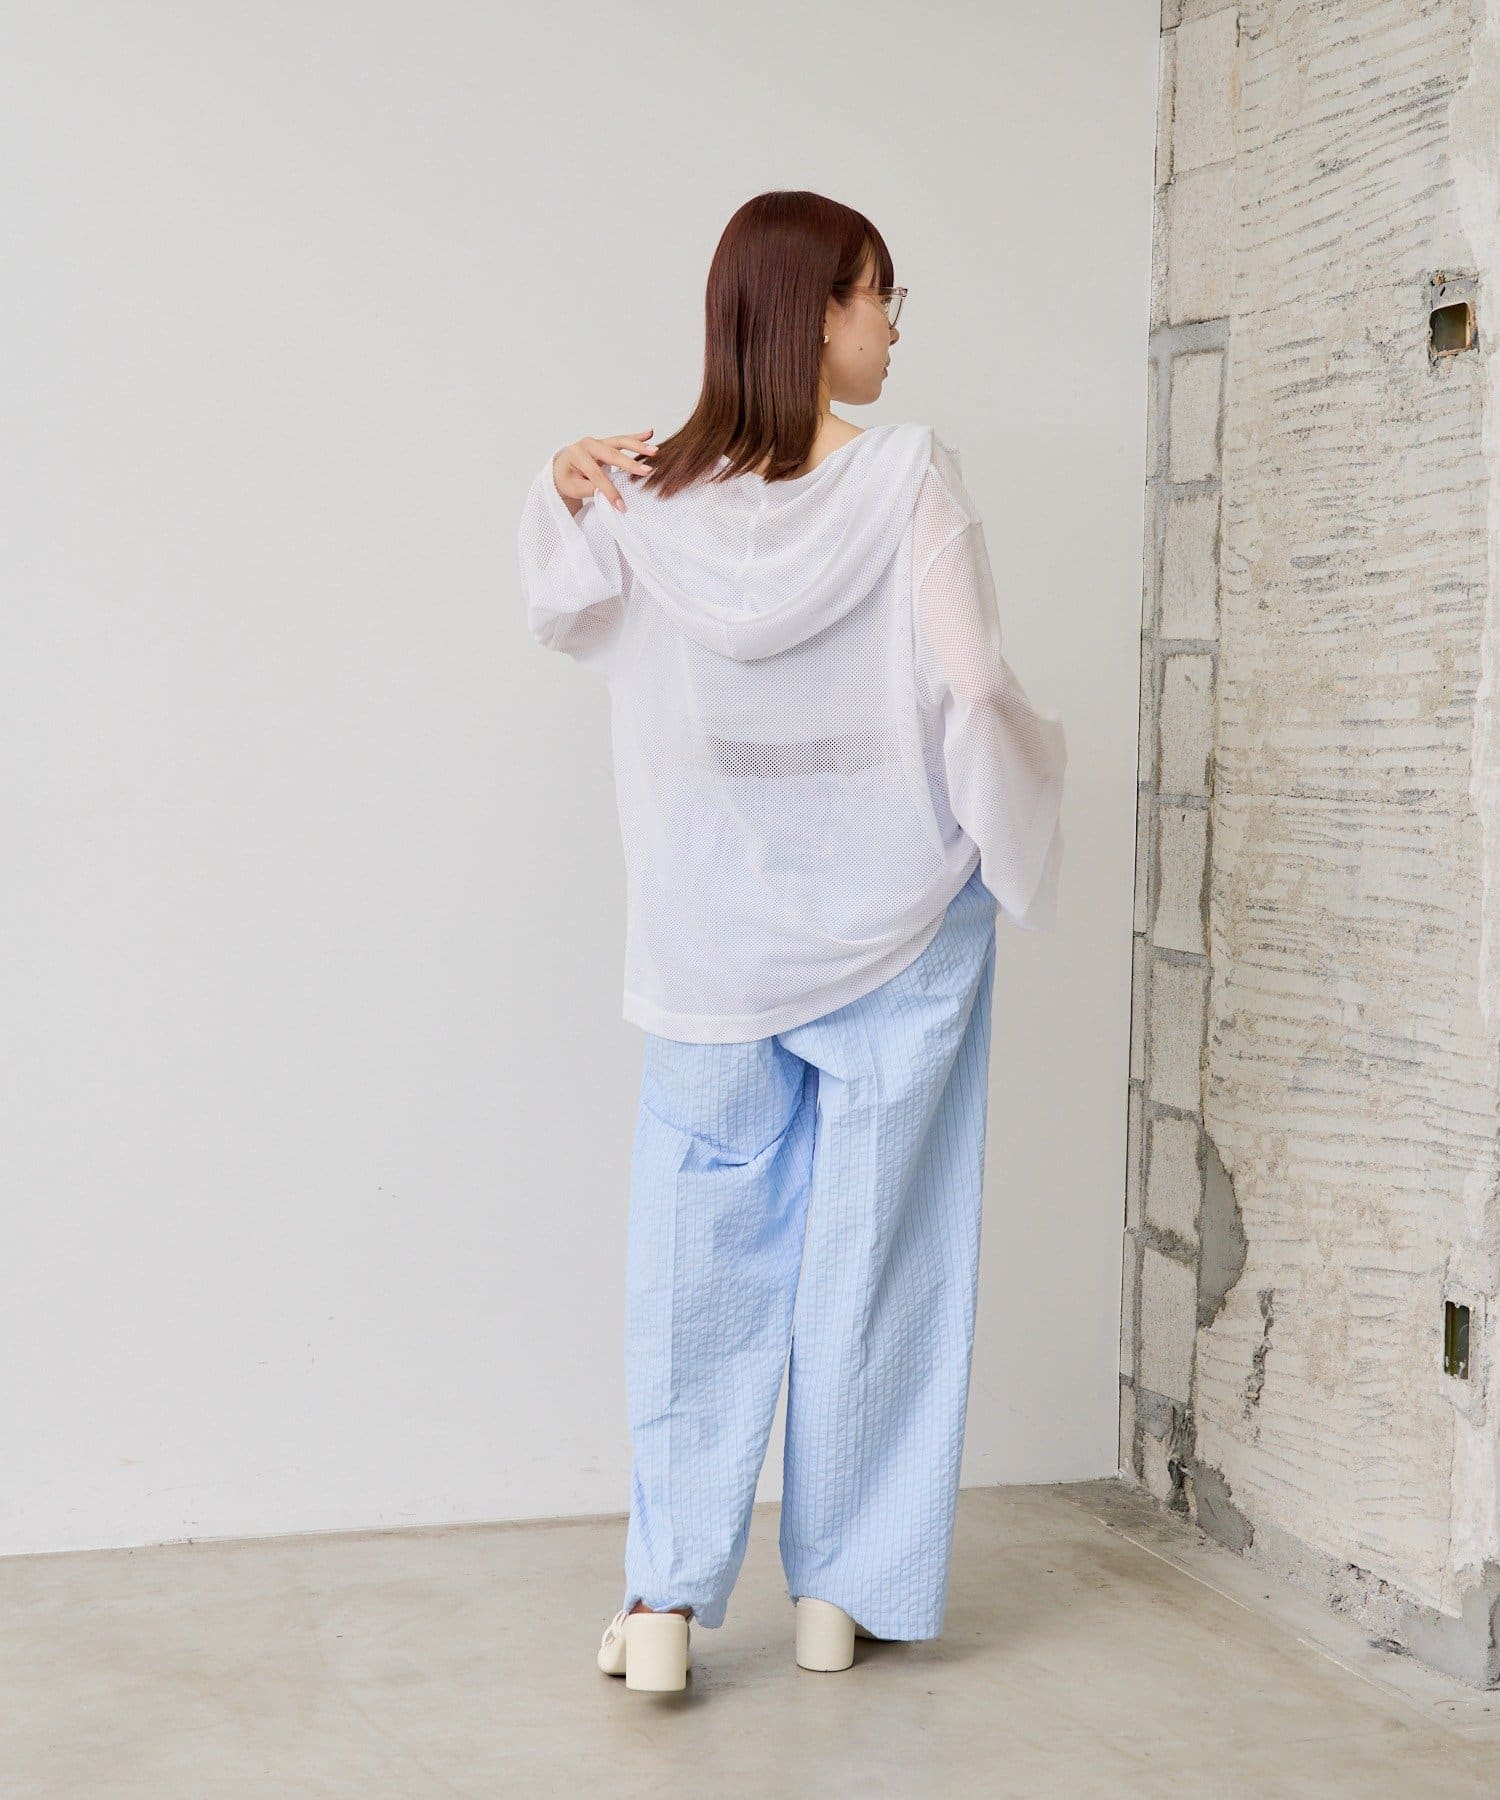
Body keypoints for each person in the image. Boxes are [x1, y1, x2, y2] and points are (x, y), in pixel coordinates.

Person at [515, 190, 1067, 1694]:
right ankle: (843, 1598)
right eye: (885, 297)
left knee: (696, 1260)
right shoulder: (907, 481)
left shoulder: (649, 495)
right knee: (883, 1255)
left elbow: (561, 606)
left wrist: (563, 481)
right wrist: (1019, 802)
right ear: (820, 313)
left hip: (713, 939)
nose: (895, 327)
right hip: (900, 926)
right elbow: (972, 685)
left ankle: (663, 1611)